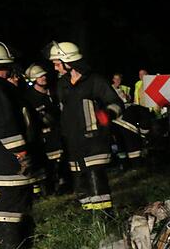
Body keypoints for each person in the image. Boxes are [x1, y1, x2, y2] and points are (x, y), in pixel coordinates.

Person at [51, 42, 123, 211]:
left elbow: (117, 103)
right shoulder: (62, 84)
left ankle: (105, 219)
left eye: (56, 63)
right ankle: (91, 222)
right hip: (73, 144)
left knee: (96, 180)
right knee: (81, 184)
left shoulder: (94, 81)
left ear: (67, 62)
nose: (55, 68)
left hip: (94, 141)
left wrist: (107, 115)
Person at [0, 42, 37, 249]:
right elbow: (6, 122)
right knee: (12, 201)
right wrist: (20, 151)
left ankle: (5, 244)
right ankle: (12, 247)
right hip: (6, 160)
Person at [21, 64, 62, 194]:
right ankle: (49, 189)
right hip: (43, 137)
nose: (43, 77)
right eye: (40, 76)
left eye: (44, 75)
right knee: (48, 164)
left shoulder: (54, 92)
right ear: (33, 79)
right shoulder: (30, 98)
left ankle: (63, 183)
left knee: (61, 162)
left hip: (59, 133)